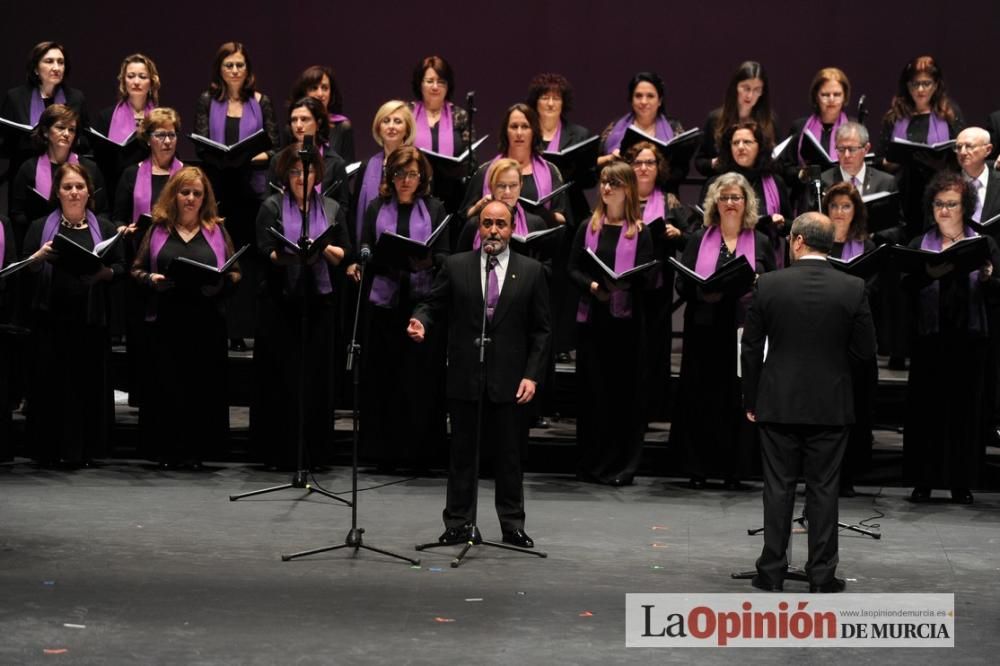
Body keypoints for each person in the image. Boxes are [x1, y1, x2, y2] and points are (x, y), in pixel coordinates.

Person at [741, 212, 876, 593]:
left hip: (778, 401)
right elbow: (866, 352)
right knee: (823, 489)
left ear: (797, 241)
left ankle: (771, 572)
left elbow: (750, 349)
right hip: (831, 404)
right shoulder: (853, 287)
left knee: (778, 488)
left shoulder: (768, 284)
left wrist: (751, 398)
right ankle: (821, 575)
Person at [407, 199, 551, 547]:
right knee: (461, 456)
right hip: (466, 376)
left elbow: (542, 331)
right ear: (478, 227)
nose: (493, 231)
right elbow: (433, 303)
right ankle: (458, 522)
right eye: (487, 223)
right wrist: (420, 321)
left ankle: (512, 525)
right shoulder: (457, 266)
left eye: (500, 224)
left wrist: (531, 375)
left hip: (510, 380)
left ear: (512, 228)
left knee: (510, 458)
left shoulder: (531, 271)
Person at [130, 167, 241, 469]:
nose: (191, 198)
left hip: (206, 321)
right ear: (174, 195)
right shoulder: (157, 229)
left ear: (205, 198)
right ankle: (167, 450)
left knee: (201, 388)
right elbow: (136, 269)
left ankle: (198, 451)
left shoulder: (217, 229)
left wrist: (219, 284)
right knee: (168, 386)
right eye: (185, 192)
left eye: (197, 193)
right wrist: (151, 279)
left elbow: (235, 272)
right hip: (167, 320)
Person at [671, 172, 775, 490]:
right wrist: (703, 292)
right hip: (704, 328)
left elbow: (772, 285)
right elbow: (681, 282)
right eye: (725, 197)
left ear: (747, 203)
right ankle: (698, 467)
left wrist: (756, 282)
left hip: (743, 330)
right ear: (715, 202)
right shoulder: (698, 238)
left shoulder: (760, 241)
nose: (730, 203)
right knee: (701, 398)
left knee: (736, 399)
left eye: (736, 197)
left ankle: (734, 469)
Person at [902, 172, 1000, 505]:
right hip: (929, 342)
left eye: (952, 204)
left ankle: (961, 482)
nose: (944, 210)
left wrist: (988, 279)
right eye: (939, 204)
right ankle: (923, 481)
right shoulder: (919, 243)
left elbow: (996, 294)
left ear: (966, 207)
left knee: (965, 413)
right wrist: (924, 275)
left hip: (969, 343)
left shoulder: (983, 243)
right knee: (925, 413)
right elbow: (903, 290)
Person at [253, 146, 352, 469]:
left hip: (320, 303)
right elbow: (264, 252)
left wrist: (322, 249)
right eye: (294, 172)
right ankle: (280, 454)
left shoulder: (332, 207)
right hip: (283, 303)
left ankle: (316, 455)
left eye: (306, 172)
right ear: (286, 175)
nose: (301, 178)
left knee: (316, 380)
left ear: (317, 175)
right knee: (284, 379)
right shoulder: (272, 207)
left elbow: (344, 252)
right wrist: (292, 254)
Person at [21, 163, 124, 468]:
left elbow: (120, 267)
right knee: (52, 385)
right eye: (67, 187)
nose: (74, 192)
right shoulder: (40, 227)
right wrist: (37, 258)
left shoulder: (103, 228)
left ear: (89, 191)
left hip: (89, 320)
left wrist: (104, 273)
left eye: (79, 186)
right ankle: (49, 449)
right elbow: (26, 271)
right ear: (57, 192)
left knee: (86, 385)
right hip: (51, 318)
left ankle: (86, 449)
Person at [354, 145, 448, 473]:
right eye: (399, 174)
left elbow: (445, 254)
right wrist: (368, 254)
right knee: (385, 379)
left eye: (411, 174)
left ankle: (419, 453)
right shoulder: (377, 207)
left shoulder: (435, 209)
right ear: (389, 176)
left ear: (421, 177)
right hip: (384, 304)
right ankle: (384, 452)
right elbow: (364, 243)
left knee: (419, 380)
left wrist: (430, 260)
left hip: (421, 306)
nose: (405, 180)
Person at [568, 161, 655, 486]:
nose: (606, 189)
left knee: (623, 396)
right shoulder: (587, 227)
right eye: (604, 182)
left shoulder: (640, 231)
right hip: (593, 322)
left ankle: (622, 465)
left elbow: (648, 274)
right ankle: (592, 463)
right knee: (594, 395)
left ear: (627, 189)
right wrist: (593, 287)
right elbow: (573, 268)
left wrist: (627, 283)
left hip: (627, 326)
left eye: (614, 183)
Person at [194, 41, 279, 352]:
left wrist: (245, 159)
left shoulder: (261, 102)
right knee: (220, 257)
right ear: (220, 68)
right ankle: (225, 328)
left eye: (239, 65)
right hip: (217, 190)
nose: (234, 70)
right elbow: (201, 145)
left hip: (252, 192)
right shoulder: (207, 100)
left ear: (248, 69)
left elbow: (274, 147)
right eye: (228, 65)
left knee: (251, 262)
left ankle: (248, 328)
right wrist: (225, 158)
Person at [113, 108, 184, 408]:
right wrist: (123, 228)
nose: (167, 141)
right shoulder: (132, 174)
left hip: (175, 265)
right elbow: (116, 217)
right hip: (140, 264)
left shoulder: (185, 174)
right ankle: (143, 397)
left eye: (171, 135)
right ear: (149, 139)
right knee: (142, 336)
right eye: (160, 135)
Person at [528, 73, 595, 361]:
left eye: (556, 97)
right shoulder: (527, 131)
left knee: (564, 280)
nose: (551, 102)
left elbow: (591, 178)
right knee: (536, 278)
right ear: (536, 101)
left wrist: (573, 170)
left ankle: (562, 343)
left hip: (570, 212)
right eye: (545, 96)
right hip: (533, 211)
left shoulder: (578, 134)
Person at [625, 140, 692, 422]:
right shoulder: (621, 199)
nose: (643, 168)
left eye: (649, 163)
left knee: (655, 346)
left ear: (658, 168)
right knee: (628, 347)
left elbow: (691, 240)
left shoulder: (669, 202)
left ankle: (654, 408)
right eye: (638, 163)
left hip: (658, 285)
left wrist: (677, 234)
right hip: (626, 285)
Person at [823, 182, 878, 496]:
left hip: (854, 340)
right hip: (825, 339)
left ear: (855, 210)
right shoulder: (819, 245)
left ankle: (848, 475)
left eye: (846, 206)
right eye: (834, 206)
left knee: (856, 408)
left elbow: (873, 290)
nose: (839, 212)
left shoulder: (867, 247)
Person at [879, 55, 964, 238]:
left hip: (939, 190)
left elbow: (961, 153)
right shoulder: (895, 116)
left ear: (936, 84)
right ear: (906, 85)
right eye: (914, 84)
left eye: (926, 83)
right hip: (904, 193)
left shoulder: (949, 113)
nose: (920, 89)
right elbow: (881, 157)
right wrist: (889, 162)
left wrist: (941, 164)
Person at [1, 41, 89, 208]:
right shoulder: (15, 97)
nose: (56, 67)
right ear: (35, 68)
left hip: (66, 173)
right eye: (49, 61)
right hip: (26, 175)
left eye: (60, 62)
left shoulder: (76, 98)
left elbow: (85, 140)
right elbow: (6, 145)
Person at [10, 104, 106, 251]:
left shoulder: (90, 168)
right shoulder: (28, 168)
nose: (67, 133)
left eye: (71, 129)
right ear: (46, 132)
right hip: (42, 240)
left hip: (85, 241)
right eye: (61, 127)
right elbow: (17, 214)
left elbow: (103, 210)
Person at [461, 103, 569, 227]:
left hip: (538, 241)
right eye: (514, 126)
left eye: (525, 127)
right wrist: (478, 207)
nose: (519, 133)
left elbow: (562, 218)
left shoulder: (550, 171)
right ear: (506, 131)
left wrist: (543, 214)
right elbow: (465, 216)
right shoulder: (486, 171)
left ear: (533, 131)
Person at [703, 121, 791, 268]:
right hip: (719, 258)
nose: (741, 147)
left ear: (760, 147)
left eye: (747, 142)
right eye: (736, 142)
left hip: (762, 258)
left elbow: (791, 225)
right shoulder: (715, 183)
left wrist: (781, 223)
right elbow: (703, 223)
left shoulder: (776, 182)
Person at [597, 72, 687, 194]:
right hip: (621, 194)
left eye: (650, 96)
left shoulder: (674, 127)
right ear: (631, 99)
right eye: (638, 96)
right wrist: (612, 158)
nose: (644, 101)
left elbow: (681, 169)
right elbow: (595, 165)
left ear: (659, 101)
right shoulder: (614, 127)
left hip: (663, 194)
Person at [779, 67, 852, 211]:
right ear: (816, 97)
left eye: (837, 94)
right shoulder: (800, 127)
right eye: (825, 94)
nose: (831, 100)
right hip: (807, 204)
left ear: (845, 97)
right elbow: (784, 170)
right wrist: (802, 173)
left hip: (843, 202)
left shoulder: (853, 127)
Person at [91, 53, 161, 199]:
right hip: (113, 187)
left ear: (151, 82)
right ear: (123, 81)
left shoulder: (160, 118)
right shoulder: (106, 116)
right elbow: (98, 159)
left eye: (142, 76)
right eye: (130, 76)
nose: (136, 81)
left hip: (153, 190)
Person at [694, 61, 777, 178]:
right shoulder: (715, 119)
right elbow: (700, 162)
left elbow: (778, 163)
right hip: (725, 186)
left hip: (758, 185)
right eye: (746, 88)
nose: (750, 95)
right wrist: (717, 163)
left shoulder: (769, 121)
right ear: (736, 87)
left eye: (757, 90)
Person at [269, 96, 349, 214]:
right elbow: (269, 203)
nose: (298, 125)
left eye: (304, 119)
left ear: (318, 123)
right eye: (294, 120)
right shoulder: (278, 160)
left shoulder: (336, 163)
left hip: (324, 229)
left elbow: (342, 209)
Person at [351, 100, 415, 246]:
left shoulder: (418, 165)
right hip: (371, 246)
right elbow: (355, 213)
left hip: (408, 243)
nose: (391, 126)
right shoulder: (366, 166)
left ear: (407, 129)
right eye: (386, 121)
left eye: (397, 121)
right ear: (379, 128)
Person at [288, 65, 353, 162]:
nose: (320, 94)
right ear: (304, 93)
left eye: (325, 88)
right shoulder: (293, 127)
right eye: (314, 88)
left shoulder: (343, 126)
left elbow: (349, 168)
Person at [410, 55, 471, 156]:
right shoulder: (407, 113)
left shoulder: (460, 115)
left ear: (448, 86)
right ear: (420, 84)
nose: (435, 87)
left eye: (441, 82)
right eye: (429, 81)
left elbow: (471, 159)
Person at [954, 127, 1000, 227]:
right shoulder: (947, 183)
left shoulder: (998, 178)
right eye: (958, 147)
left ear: (988, 150)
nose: (962, 152)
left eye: (969, 146)